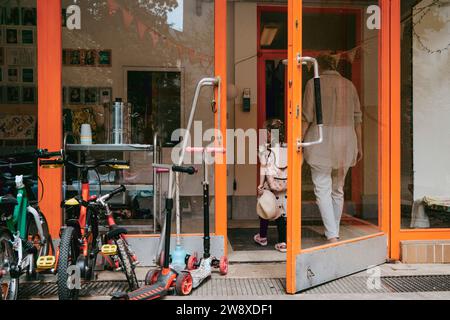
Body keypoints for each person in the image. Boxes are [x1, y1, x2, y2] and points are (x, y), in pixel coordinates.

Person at [302, 54, 363, 243]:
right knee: (338, 189)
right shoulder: (349, 85)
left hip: (321, 139)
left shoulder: (314, 83)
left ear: (317, 66)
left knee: (322, 187)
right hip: (346, 139)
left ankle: (332, 234)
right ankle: (333, 231)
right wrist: (359, 145)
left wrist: (298, 141)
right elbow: (357, 119)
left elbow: (307, 117)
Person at [254, 119, 288, 253]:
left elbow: (263, 167)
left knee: (265, 206)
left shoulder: (264, 148)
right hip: (284, 184)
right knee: (281, 212)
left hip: (271, 183)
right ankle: (282, 242)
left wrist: (261, 185)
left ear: (269, 133)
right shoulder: (287, 146)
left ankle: (262, 237)